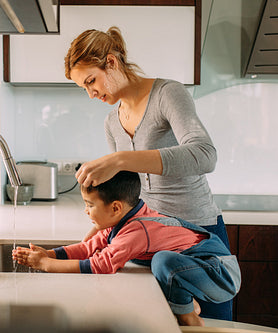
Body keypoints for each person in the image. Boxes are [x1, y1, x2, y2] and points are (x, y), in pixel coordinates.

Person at [63, 26, 233, 320]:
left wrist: (120, 159)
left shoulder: (167, 94)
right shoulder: (112, 123)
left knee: (213, 326)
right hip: (149, 245)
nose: (91, 93)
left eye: (92, 80)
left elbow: (205, 154)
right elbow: (125, 200)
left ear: (112, 62)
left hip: (196, 238)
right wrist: (86, 246)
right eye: (84, 87)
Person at [12, 171, 241, 326]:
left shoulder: (137, 231)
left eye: (89, 205)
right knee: (163, 264)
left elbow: (102, 265)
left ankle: (192, 319)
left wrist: (46, 265)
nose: (86, 211)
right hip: (197, 267)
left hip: (219, 272)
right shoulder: (123, 220)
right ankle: (187, 301)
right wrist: (50, 254)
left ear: (115, 207)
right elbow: (90, 247)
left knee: (163, 262)